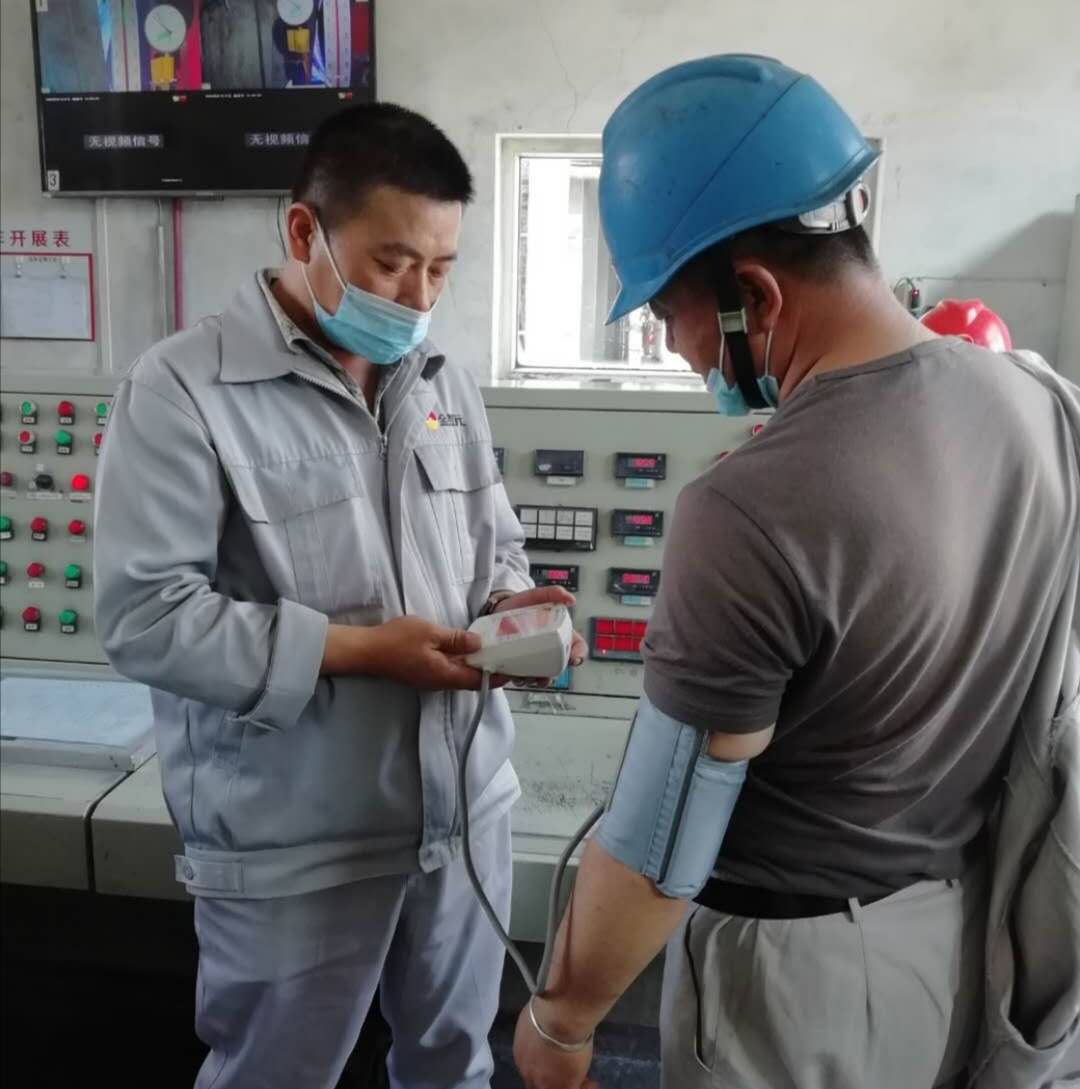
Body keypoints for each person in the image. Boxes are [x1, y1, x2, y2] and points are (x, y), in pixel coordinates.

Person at [512, 55, 1079, 1089]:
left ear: (752, 295)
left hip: (792, 990)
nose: (673, 349)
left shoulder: (749, 506)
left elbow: (658, 847)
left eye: (666, 314)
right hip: (957, 945)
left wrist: (563, 1018)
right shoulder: (1035, 404)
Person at [93, 102, 585, 1089]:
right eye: (392, 263)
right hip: (296, 841)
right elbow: (147, 619)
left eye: (440, 268)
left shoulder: (443, 383)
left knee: (453, 1065)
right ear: (303, 230)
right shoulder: (185, 390)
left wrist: (516, 612)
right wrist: (361, 651)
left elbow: (496, 547)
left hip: (462, 812)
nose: (418, 296)